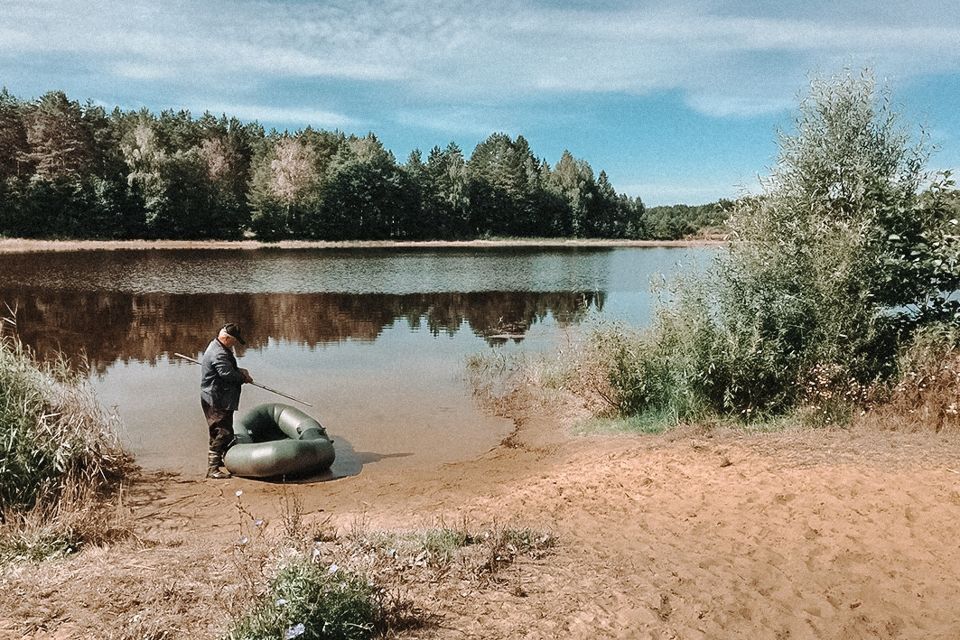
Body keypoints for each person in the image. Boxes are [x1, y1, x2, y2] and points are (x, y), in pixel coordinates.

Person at [200, 323, 254, 479]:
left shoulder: (217, 346)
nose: (235, 343)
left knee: (223, 431)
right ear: (226, 338)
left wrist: (239, 370)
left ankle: (221, 461)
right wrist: (243, 377)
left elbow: (227, 370)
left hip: (216, 397)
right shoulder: (219, 353)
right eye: (234, 340)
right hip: (216, 399)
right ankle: (213, 469)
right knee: (222, 432)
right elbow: (226, 374)